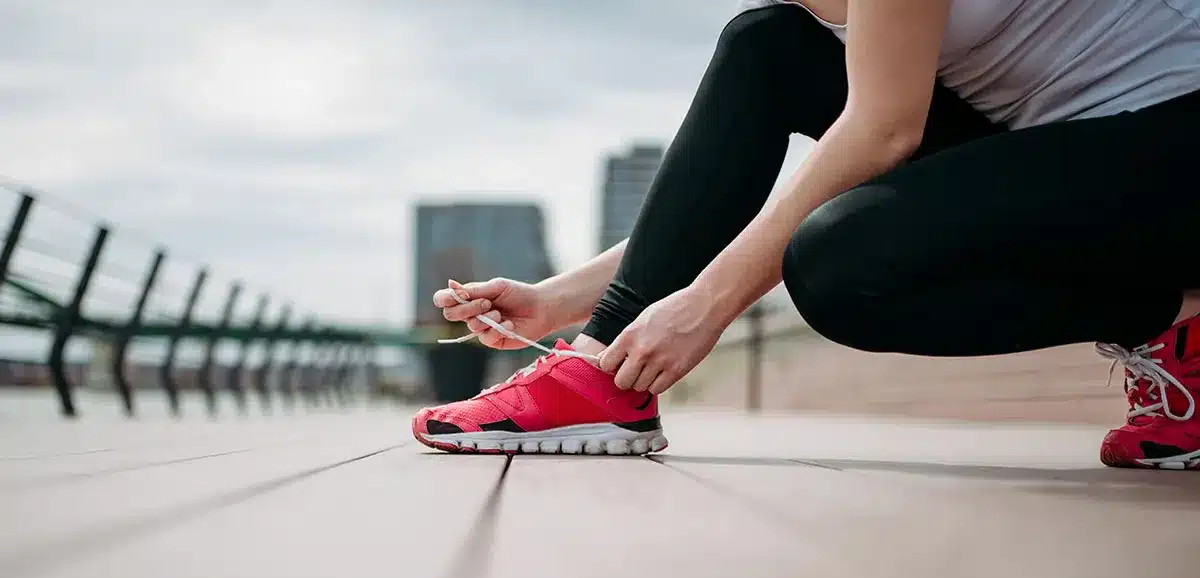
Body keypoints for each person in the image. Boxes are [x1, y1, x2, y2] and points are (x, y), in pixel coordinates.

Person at [412, 0, 1200, 469]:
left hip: (1177, 140)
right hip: (1066, 149)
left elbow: (882, 134)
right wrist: (563, 302)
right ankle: (598, 376)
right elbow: (783, 180)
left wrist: (706, 308)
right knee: (766, 47)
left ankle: (1173, 314)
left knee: (838, 265)